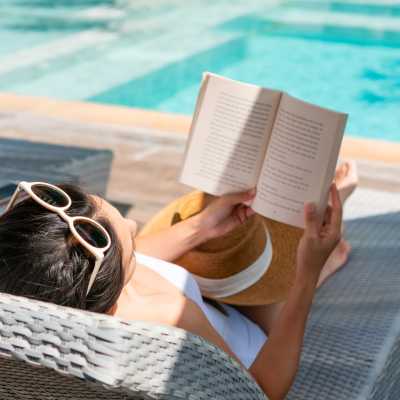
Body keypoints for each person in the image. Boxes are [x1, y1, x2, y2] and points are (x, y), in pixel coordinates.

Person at [0, 161, 358, 400]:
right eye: (127, 235)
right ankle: (323, 264)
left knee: (226, 232)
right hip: (251, 345)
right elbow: (263, 389)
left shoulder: (45, 293)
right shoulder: (166, 314)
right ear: (115, 284)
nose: (132, 224)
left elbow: (123, 256)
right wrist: (309, 271)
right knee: (297, 240)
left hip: (207, 306)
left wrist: (201, 227)